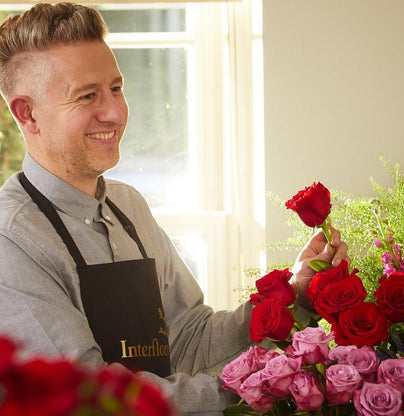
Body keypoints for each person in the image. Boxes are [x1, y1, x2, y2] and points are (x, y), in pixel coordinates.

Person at [0, 3, 348, 415]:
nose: (114, 111)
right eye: (87, 95)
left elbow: (188, 339)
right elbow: (90, 398)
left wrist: (293, 295)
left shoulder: (127, 205)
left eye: (116, 87)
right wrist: (252, 388)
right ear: (27, 114)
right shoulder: (11, 239)